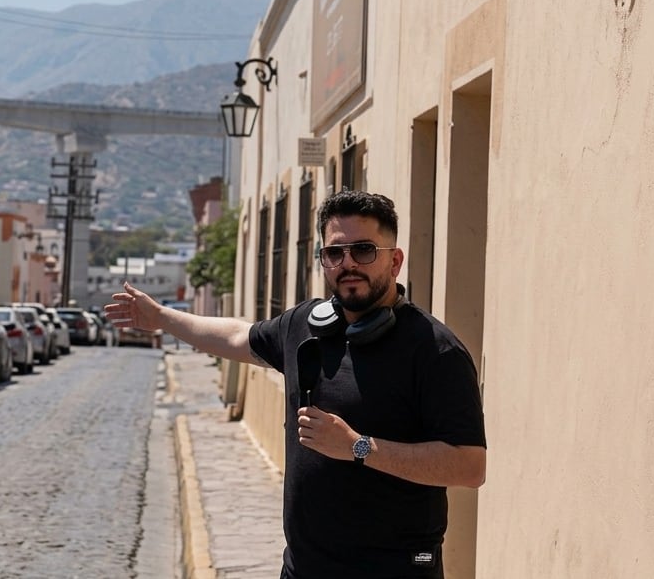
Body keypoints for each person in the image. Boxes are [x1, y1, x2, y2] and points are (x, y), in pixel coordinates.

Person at [105, 190, 486, 578]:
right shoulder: (307, 325)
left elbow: (469, 467)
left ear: (395, 261)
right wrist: (162, 318)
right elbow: (238, 337)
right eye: (335, 253)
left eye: (364, 250)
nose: (348, 263)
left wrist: (358, 446)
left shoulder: (436, 351)